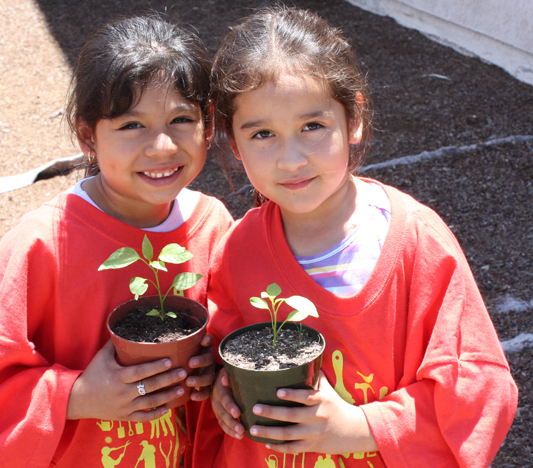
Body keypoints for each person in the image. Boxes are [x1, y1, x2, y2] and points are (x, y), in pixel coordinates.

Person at [194, 6, 518, 468]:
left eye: (312, 126)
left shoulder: (417, 244)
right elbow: (224, 347)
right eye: (263, 133)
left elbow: (479, 391)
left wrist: (359, 429)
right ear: (232, 140)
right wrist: (223, 390)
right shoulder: (237, 250)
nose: (291, 159)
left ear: (353, 118)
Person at [0, 15, 233, 468]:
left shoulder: (213, 224)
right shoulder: (42, 245)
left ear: (209, 125)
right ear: (87, 136)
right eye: (131, 126)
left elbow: (228, 333)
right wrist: (78, 395)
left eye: (181, 119)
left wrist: (211, 369)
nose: (162, 146)